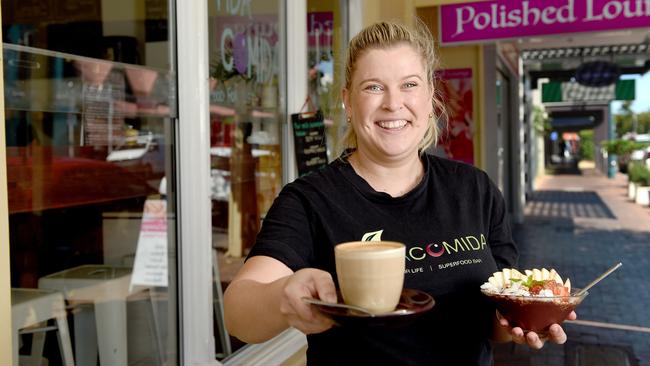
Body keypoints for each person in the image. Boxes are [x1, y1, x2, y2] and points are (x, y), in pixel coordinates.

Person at [224, 20, 576, 365]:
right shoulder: (310, 200)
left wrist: (523, 321)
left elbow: (494, 320)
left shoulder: (474, 189)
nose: (393, 103)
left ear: (430, 97)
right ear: (348, 101)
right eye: (373, 87)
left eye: (409, 84)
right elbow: (238, 312)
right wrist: (282, 297)